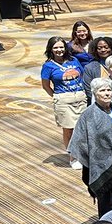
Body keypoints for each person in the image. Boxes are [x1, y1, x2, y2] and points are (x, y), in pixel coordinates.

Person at [70, 78, 112, 215]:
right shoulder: (88, 115)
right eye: (102, 90)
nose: (106, 93)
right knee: (108, 203)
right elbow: (79, 141)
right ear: (94, 93)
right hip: (103, 166)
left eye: (109, 90)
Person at [42, 36, 89, 167]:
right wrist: (57, 97)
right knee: (69, 129)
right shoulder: (48, 66)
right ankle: (73, 156)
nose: (59, 50)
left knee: (83, 128)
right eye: (55, 47)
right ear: (50, 49)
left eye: (61, 47)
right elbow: (45, 85)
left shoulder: (73, 60)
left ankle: (84, 154)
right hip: (63, 99)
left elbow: (82, 75)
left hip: (80, 97)